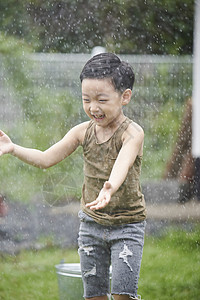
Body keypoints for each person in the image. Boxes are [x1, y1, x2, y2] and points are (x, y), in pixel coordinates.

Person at [0, 53, 146, 300]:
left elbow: (123, 161)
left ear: (125, 97)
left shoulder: (132, 133)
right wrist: (14, 149)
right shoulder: (82, 132)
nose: (93, 107)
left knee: (123, 295)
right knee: (94, 296)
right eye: (86, 99)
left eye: (101, 99)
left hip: (127, 225)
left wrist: (109, 187)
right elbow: (46, 159)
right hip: (91, 225)